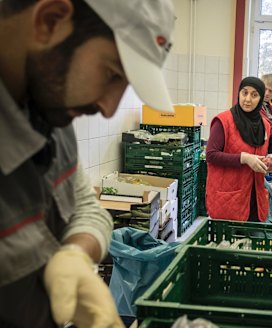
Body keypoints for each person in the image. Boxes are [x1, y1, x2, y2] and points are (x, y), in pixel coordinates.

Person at [0, 0, 176, 327]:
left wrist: (76, 255)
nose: (109, 109)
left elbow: (85, 203)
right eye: (111, 74)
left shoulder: (50, 116)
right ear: (49, 21)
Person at [206, 77, 272, 222]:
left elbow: (262, 155)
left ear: (261, 98)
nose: (248, 99)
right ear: (238, 94)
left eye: (254, 95)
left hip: (255, 199)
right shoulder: (223, 121)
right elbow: (211, 155)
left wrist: (268, 162)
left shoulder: (265, 126)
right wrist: (244, 158)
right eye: (244, 93)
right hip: (229, 198)